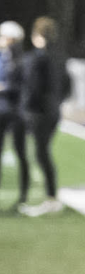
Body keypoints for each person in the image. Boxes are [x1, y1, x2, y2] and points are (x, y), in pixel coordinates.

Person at [18, 16, 69, 216]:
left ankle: (51, 197)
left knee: (41, 154)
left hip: (40, 112)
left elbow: (32, 86)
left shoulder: (39, 58)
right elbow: (67, 84)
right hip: (53, 111)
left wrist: (27, 107)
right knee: (42, 153)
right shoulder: (59, 56)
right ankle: (51, 197)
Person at [0, 21, 29, 208]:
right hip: (2, 111)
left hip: (17, 112)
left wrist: (5, 88)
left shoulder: (21, 60)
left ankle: (23, 196)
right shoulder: (3, 58)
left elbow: (23, 87)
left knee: (21, 153)